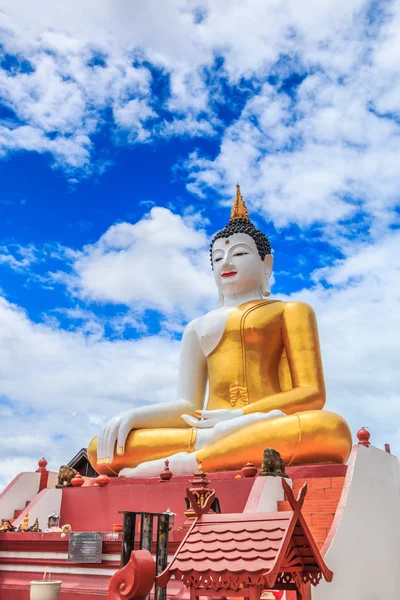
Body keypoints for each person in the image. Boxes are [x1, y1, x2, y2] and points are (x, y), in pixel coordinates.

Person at [88, 185, 352, 477]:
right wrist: (134, 416)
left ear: (267, 264)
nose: (225, 262)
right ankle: (216, 448)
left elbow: (312, 394)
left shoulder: (290, 311)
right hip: (204, 430)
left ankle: (190, 462)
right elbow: (188, 405)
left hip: (265, 424)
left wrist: (239, 418)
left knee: (330, 429)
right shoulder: (197, 327)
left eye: (238, 253)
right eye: (216, 258)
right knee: (102, 446)